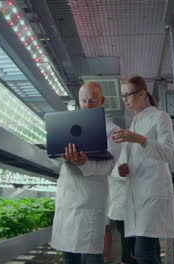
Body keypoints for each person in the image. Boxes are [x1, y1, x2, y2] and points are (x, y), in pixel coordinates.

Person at [50, 82, 122, 264]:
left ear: (102, 100)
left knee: (91, 255)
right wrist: (62, 155)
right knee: (68, 256)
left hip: (90, 200)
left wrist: (84, 163)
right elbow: (55, 157)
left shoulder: (113, 131)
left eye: (92, 100)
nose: (87, 105)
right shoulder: (68, 125)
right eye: (83, 101)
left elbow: (108, 167)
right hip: (68, 199)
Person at [112, 76, 174, 264]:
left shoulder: (160, 117)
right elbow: (139, 159)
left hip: (153, 192)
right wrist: (124, 168)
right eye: (123, 95)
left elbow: (169, 153)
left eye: (128, 94)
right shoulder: (134, 122)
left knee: (142, 253)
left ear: (142, 93)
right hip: (137, 194)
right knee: (149, 250)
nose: (125, 99)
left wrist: (141, 139)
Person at [108, 168, 136, 264]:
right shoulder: (114, 164)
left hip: (127, 207)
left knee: (130, 242)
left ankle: (129, 259)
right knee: (127, 241)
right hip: (122, 208)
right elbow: (123, 176)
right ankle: (127, 260)